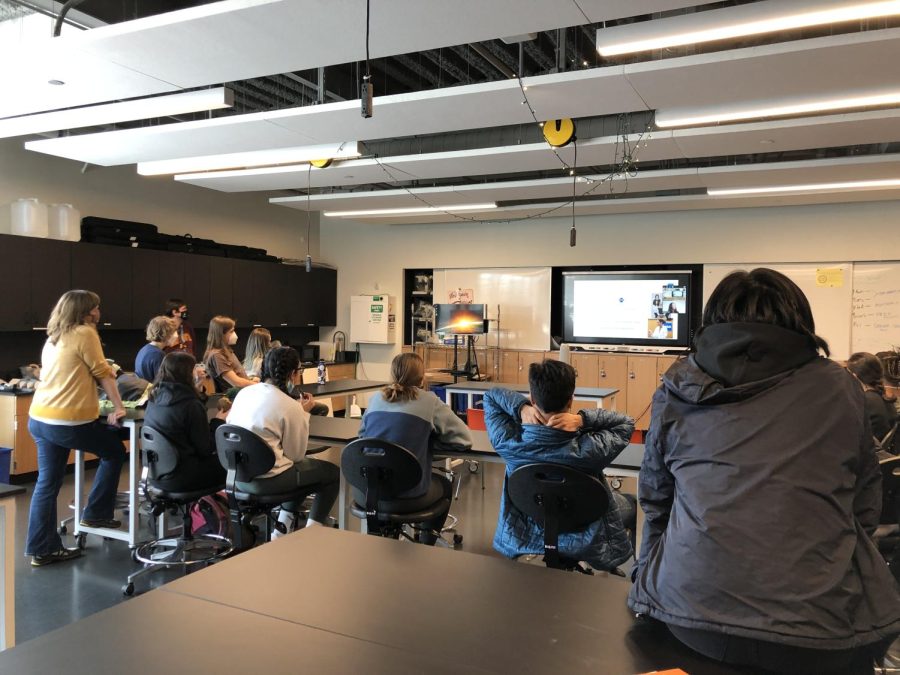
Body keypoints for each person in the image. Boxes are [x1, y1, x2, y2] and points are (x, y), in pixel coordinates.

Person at [628, 268, 900, 675]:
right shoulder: (842, 388)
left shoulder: (676, 388)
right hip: (819, 630)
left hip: (691, 619)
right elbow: (864, 503)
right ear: (801, 324)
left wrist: (647, 587)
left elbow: (655, 501)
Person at [483, 359, 635, 570]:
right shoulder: (590, 449)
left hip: (530, 528)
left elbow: (491, 396)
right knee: (631, 503)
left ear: (532, 397)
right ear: (571, 400)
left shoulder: (508, 442)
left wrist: (521, 408)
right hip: (586, 536)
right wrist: (583, 420)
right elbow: (625, 423)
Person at [26, 290, 127, 567]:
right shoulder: (85, 332)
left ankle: (43, 549)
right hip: (67, 421)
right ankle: (95, 513)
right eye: (96, 307)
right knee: (115, 452)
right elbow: (102, 372)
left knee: (46, 484)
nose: (99, 312)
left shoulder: (54, 336)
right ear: (86, 312)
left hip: (39, 419)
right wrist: (118, 408)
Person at [359, 352, 472, 544]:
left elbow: (363, 437)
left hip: (370, 492)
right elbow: (464, 439)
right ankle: (426, 545)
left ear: (392, 375)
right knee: (444, 485)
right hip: (409, 495)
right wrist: (427, 441)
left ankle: (380, 536)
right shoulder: (430, 402)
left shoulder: (375, 399)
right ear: (421, 378)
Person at [226, 347, 340, 529]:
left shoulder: (244, 394)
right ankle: (312, 532)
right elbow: (296, 455)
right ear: (293, 373)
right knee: (330, 473)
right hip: (267, 481)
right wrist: (301, 414)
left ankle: (282, 528)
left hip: (238, 477)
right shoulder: (289, 406)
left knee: (300, 472)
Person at [142, 352, 226, 491]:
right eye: (194, 368)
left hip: (156, 474)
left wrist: (198, 392)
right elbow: (205, 448)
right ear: (187, 373)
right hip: (183, 476)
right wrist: (218, 421)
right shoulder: (191, 405)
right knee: (234, 462)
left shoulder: (154, 398)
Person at [847, 351, 898, 455]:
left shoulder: (863, 401)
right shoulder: (885, 397)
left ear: (854, 377)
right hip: (885, 459)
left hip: (869, 459)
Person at [203, 316, 258, 393]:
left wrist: (250, 380)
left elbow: (238, 376)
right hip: (232, 399)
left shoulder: (226, 351)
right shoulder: (217, 355)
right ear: (221, 334)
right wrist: (258, 386)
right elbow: (236, 382)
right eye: (231, 331)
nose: (234, 334)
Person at [134, 316, 178, 382]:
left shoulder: (144, 349)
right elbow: (162, 384)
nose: (177, 335)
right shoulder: (158, 354)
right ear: (166, 333)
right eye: (174, 332)